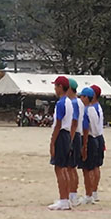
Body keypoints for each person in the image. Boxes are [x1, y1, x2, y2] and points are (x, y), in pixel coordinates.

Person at [48, 76, 74, 210]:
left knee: (59, 168)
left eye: (56, 86)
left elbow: (58, 124)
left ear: (60, 87)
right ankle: (66, 198)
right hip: (66, 135)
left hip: (61, 135)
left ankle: (63, 199)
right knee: (64, 168)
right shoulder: (69, 102)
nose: (55, 89)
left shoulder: (61, 103)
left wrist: (52, 142)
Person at [78, 87, 100, 205]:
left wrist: (84, 146)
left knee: (86, 169)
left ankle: (88, 194)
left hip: (88, 140)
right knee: (91, 168)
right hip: (95, 139)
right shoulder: (93, 109)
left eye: (82, 96)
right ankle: (91, 193)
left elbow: (86, 129)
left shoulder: (86, 110)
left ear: (86, 97)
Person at [66, 78, 84, 206]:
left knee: (71, 167)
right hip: (77, 134)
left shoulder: (74, 103)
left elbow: (74, 122)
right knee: (71, 167)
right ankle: (72, 194)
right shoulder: (79, 102)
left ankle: (72, 195)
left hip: (74, 135)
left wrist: (69, 140)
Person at [90, 85, 105, 202]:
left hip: (95, 137)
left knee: (92, 166)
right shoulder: (97, 107)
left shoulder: (93, 108)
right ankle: (94, 191)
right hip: (100, 137)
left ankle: (92, 192)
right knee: (96, 166)